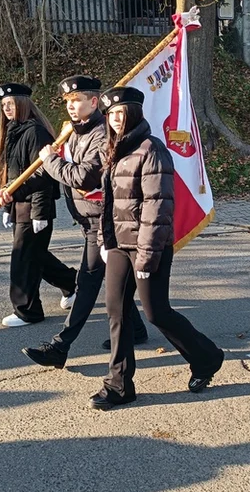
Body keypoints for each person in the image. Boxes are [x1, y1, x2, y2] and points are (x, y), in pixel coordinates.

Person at [91, 86, 224, 410]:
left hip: (148, 247)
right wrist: (104, 241)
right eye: (111, 114)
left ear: (134, 113)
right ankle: (120, 385)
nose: (116, 119)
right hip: (120, 245)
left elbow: (158, 207)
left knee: (156, 312)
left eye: (122, 113)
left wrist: (146, 258)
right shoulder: (114, 149)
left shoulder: (152, 150)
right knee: (116, 309)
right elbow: (108, 203)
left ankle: (207, 358)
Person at [21, 76, 148, 367]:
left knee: (87, 282)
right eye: (68, 102)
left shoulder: (102, 136)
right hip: (88, 219)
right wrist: (14, 191)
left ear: (94, 102)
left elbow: (83, 176)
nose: (71, 107)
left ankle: (59, 347)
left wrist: (51, 159)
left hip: (105, 222)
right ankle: (137, 329)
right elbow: (51, 172)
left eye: (77, 100)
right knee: (114, 281)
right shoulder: (74, 134)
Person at [0, 83, 77, 327]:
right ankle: (73, 284)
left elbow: (44, 174)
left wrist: (39, 212)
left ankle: (28, 311)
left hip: (34, 208)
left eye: (11, 104)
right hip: (19, 206)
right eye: (3, 105)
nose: (7, 109)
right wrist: (8, 208)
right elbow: (13, 176)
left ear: (23, 104)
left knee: (23, 259)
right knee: (35, 256)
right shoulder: (14, 130)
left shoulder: (36, 132)